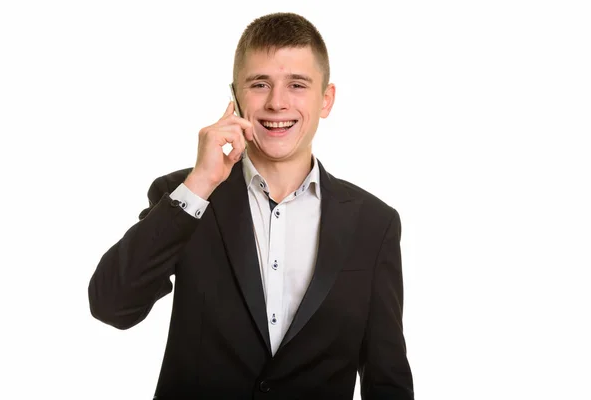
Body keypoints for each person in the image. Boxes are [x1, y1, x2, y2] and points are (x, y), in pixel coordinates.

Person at [88, 12, 414, 399]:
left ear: (326, 100)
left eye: (297, 84)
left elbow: (387, 378)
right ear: (236, 98)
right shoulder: (185, 196)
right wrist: (201, 183)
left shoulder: (374, 223)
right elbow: (112, 306)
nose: (277, 103)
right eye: (260, 84)